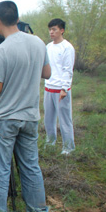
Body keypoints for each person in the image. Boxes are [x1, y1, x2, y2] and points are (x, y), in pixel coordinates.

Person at [0, 1, 51, 212]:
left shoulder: (2, 50)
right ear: (17, 19)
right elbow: (46, 72)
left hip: (6, 119)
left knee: (0, 168)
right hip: (30, 117)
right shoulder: (38, 42)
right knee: (31, 166)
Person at [43, 18, 75, 155]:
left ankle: (68, 147)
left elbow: (68, 70)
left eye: (54, 29)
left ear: (62, 30)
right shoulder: (48, 47)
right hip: (48, 87)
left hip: (61, 89)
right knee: (48, 119)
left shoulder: (67, 47)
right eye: (50, 29)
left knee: (65, 119)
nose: (51, 32)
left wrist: (64, 88)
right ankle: (50, 142)